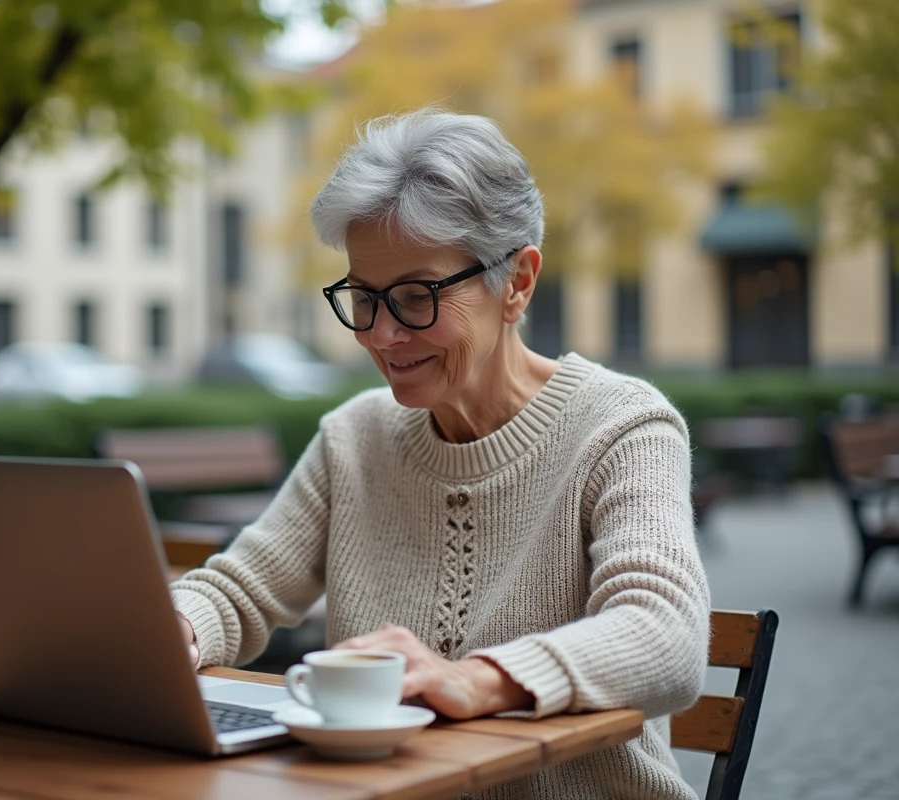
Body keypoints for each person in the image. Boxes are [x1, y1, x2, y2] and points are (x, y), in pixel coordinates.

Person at [172, 108, 710, 800]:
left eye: (417, 296)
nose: (384, 335)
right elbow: (239, 589)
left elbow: (665, 637)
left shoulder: (622, 427)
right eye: (364, 298)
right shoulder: (353, 437)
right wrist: (175, 629)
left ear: (516, 281)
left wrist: (474, 679)